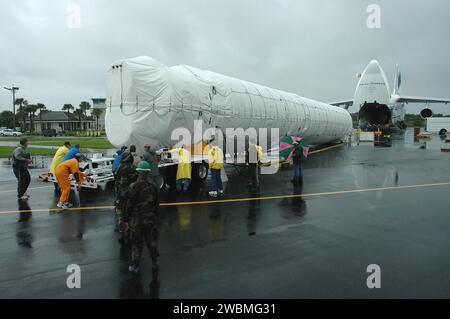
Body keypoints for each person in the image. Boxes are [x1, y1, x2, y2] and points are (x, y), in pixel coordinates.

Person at [126, 161, 160, 275]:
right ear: (148, 172)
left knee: (137, 244)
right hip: (150, 219)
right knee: (151, 242)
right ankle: (154, 263)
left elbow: (129, 205)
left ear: (138, 172)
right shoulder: (154, 186)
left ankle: (135, 265)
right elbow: (156, 204)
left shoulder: (133, 186)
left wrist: (126, 218)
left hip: (137, 220)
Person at [114, 151, 138, 237]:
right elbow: (136, 181)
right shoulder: (133, 168)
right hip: (130, 193)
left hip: (119, 193)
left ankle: (122, 225)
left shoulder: (118, 167)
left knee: (120, 209)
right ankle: (131, 225)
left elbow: (115, 178)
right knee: (131, 209)